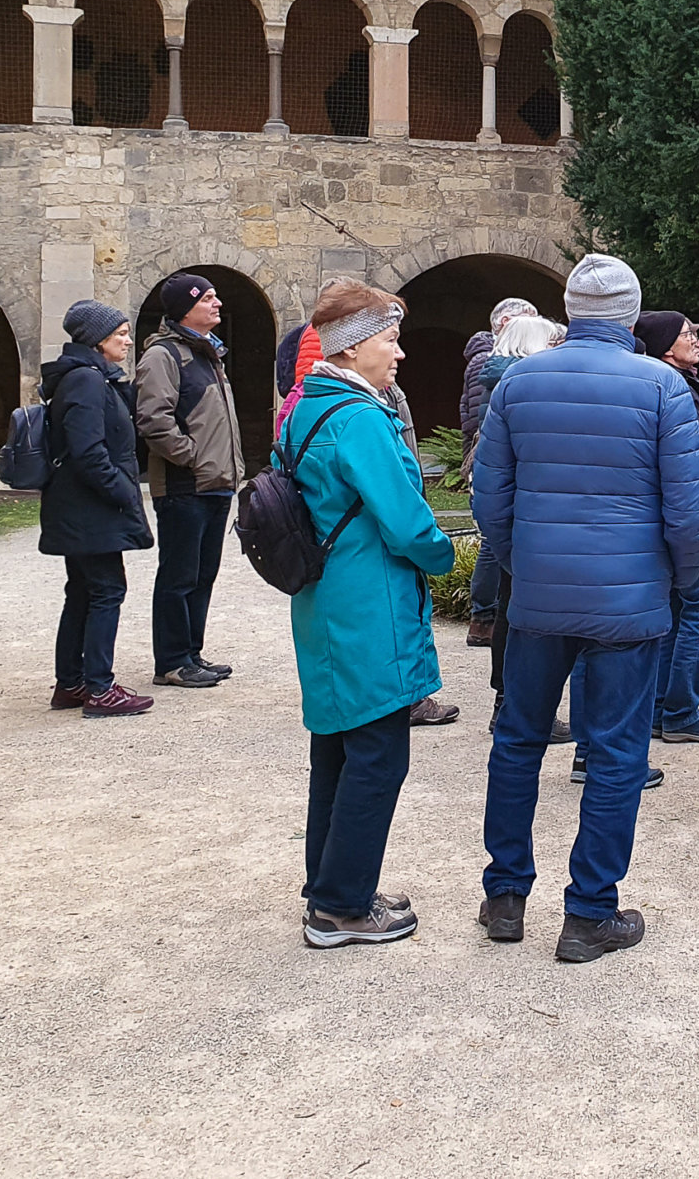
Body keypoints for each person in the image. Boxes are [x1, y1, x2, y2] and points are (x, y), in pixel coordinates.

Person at [474, 255, 699, 961]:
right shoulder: (662, 385)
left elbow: (490, 498)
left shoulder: (519, 381)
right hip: (630, 596)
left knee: (518, 741)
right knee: (615, 752)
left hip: (541, 595)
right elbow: (689, 509)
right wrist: (679, 578)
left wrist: (525, 565)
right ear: (631, 316)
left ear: (571, 311)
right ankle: (588, 913)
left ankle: (505, 896)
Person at [282, 279, 456, 948]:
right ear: (353, 350)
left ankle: (328, 886)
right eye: (390, 340)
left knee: (337, 750)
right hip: (369, 605)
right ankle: (342, 909)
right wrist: (444, 554)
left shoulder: (309, 408)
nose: (400, 353)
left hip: (327, 602)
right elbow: (409, 526)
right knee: (379, 755)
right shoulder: (360, 419)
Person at [40, 300, 155, 718]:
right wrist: (123, 492)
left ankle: (71, 683)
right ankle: (100, 688)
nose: (128, 340)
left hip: (81, 505)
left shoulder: (85, 378)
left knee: (84, 591)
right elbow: (89, 451)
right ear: (98, 339)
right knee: (106, 590)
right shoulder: (87, 381)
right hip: (91, 506)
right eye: (121, 334)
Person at [136, 272, 245, 689]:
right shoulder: (165, 355)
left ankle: (191, 654)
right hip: (186, 487)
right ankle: (171, 661)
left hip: (215, 483)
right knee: (179, 575)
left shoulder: (206, 354)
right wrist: (193, 459)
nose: (218, 304)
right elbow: (153, 419)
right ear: (186, 307)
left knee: (203, 574)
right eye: (208, 298)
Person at [635, 310, 699, 745]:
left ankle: (657, 709)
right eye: (691, 334)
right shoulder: (679, 392)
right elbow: (694, 463)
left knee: (671, 616)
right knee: (698, 613)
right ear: (668, 345)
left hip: (661, 520)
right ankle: (682, 711)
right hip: (695, 519)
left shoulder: (647, 385)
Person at [477, 314, 564, 735]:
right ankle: (515, 705)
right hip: (526, 516)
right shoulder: (521, 386)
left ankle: (509, 701)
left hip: (516, 516)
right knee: (521, 616)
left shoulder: (498, 381)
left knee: (513, 609)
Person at [460, 296, 539, 645]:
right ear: (506, 322)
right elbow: (481, 417)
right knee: (493, 543)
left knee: (493, 543)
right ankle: (483, 617)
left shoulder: (494, 364)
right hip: (493, 460)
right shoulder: (490, 365)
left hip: (490, 459)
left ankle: (485, 618)